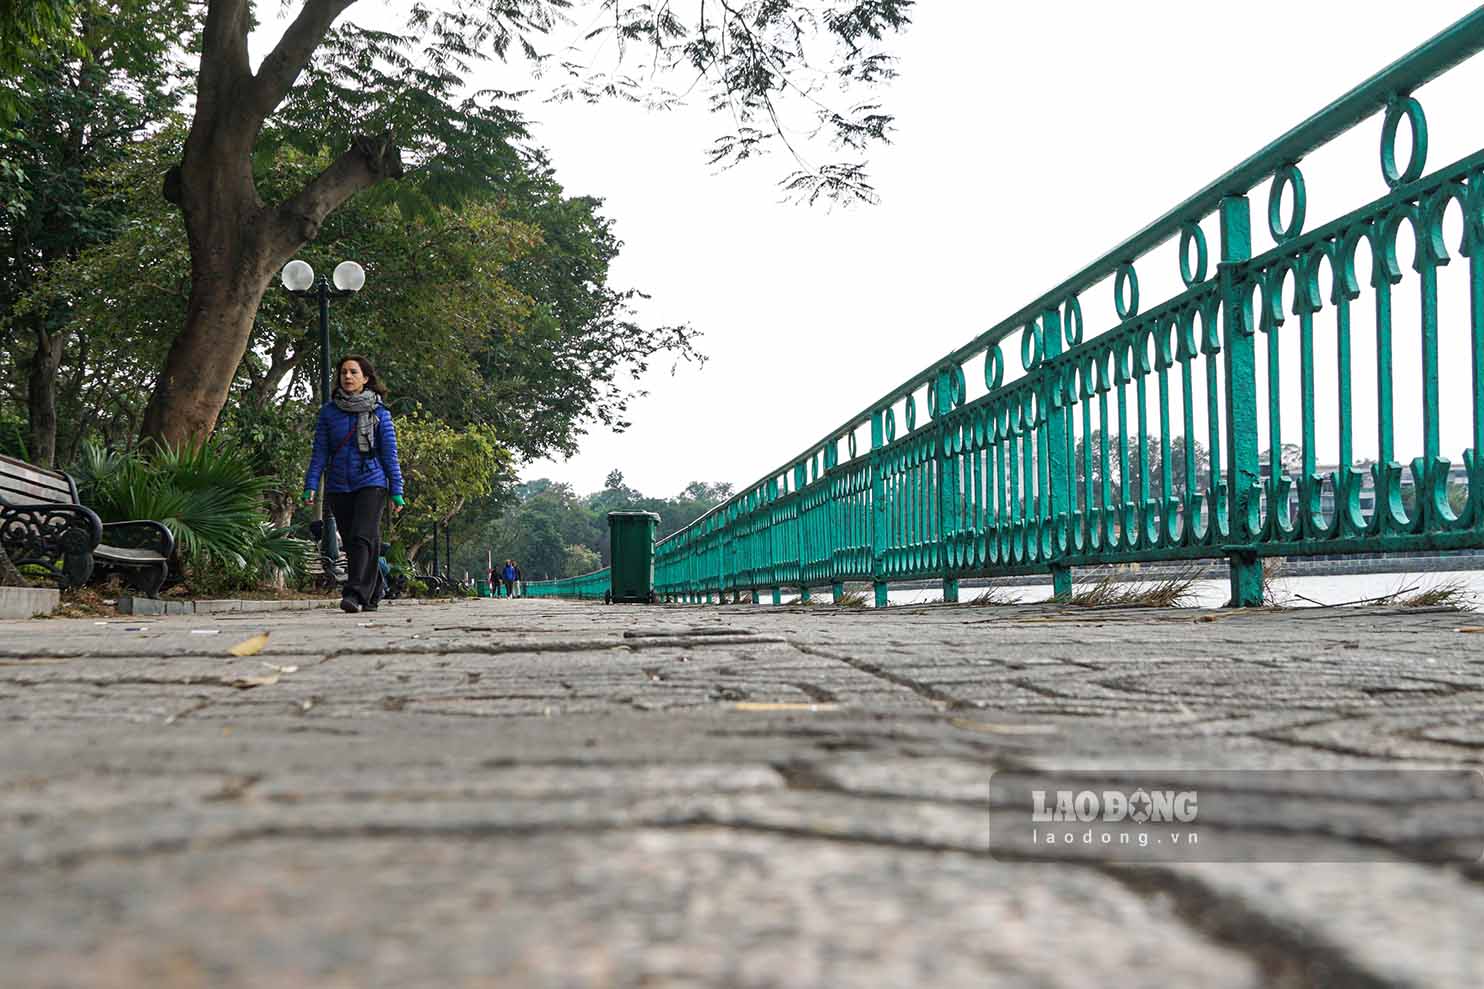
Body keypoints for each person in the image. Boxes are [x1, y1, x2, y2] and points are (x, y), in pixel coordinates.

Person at [303, 355, 405, 613]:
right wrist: (311, 483)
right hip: (338, 484)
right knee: (352, 541)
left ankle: (354, 593)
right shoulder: (329, 413)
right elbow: (320, 452)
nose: (347, 377)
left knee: (362, 535)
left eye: (353, 372)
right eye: (343, 373)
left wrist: (397, 491)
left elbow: (389, 454)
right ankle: (374, 592)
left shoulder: (380, 413)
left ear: (366, 378)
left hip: (372, 481)